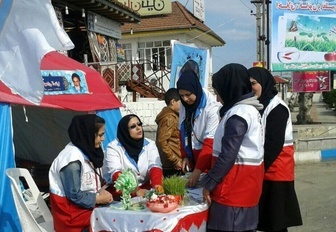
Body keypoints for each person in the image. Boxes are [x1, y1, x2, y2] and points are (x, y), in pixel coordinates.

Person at [200, 63, 264, 232]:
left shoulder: (239, 114)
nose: (216, 97)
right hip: (245, 187)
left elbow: (228, 154)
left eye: (218, 92)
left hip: (234, 190)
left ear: (229, 88)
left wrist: (210, 182)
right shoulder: (247, 110)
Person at [248, 67, 302, 232]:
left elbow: (273, 144)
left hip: (276, 173)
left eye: (254, 83)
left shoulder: (277, 107)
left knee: (276, 221)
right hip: (263, 170)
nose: (251, 87)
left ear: (264, 83)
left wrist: (255, 170)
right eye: (248, 84)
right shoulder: (258, 105)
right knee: (266, 221)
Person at [49, 114, 113, 232]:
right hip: (71, 216)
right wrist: (98, 199)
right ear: (87, 134)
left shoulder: (87, 150)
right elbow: (74, 195)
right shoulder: (71, 159)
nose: (103, 139)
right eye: (100, 135)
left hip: (85, 209)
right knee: (112, 223)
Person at [176, 69, 220, 187]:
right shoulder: (184, 105)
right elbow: (182, 131)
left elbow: (210, 143)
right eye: (181, 96)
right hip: (193, 155)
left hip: (208, 158)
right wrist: (185, 155)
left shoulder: (212, 107)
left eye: (188, 95)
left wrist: (198, 170)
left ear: (195, 89)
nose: (185, 99)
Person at [103, 114, 163, 199]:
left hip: (146, 192)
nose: (138, 128)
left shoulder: (150, 144)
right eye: (133, 126)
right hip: (120, 195)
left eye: (139, 124)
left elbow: (155, 167)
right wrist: (136, 190)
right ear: (125, 131)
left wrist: (157, 186)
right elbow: (116, 174)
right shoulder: (113, 148)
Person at [155, 88, 182, 177]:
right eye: (181, 101)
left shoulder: (172, 116)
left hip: (173, 162)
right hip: (172, 165)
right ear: (173, 102)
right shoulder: (169, 118)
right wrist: (174, 160)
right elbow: (162, 141)